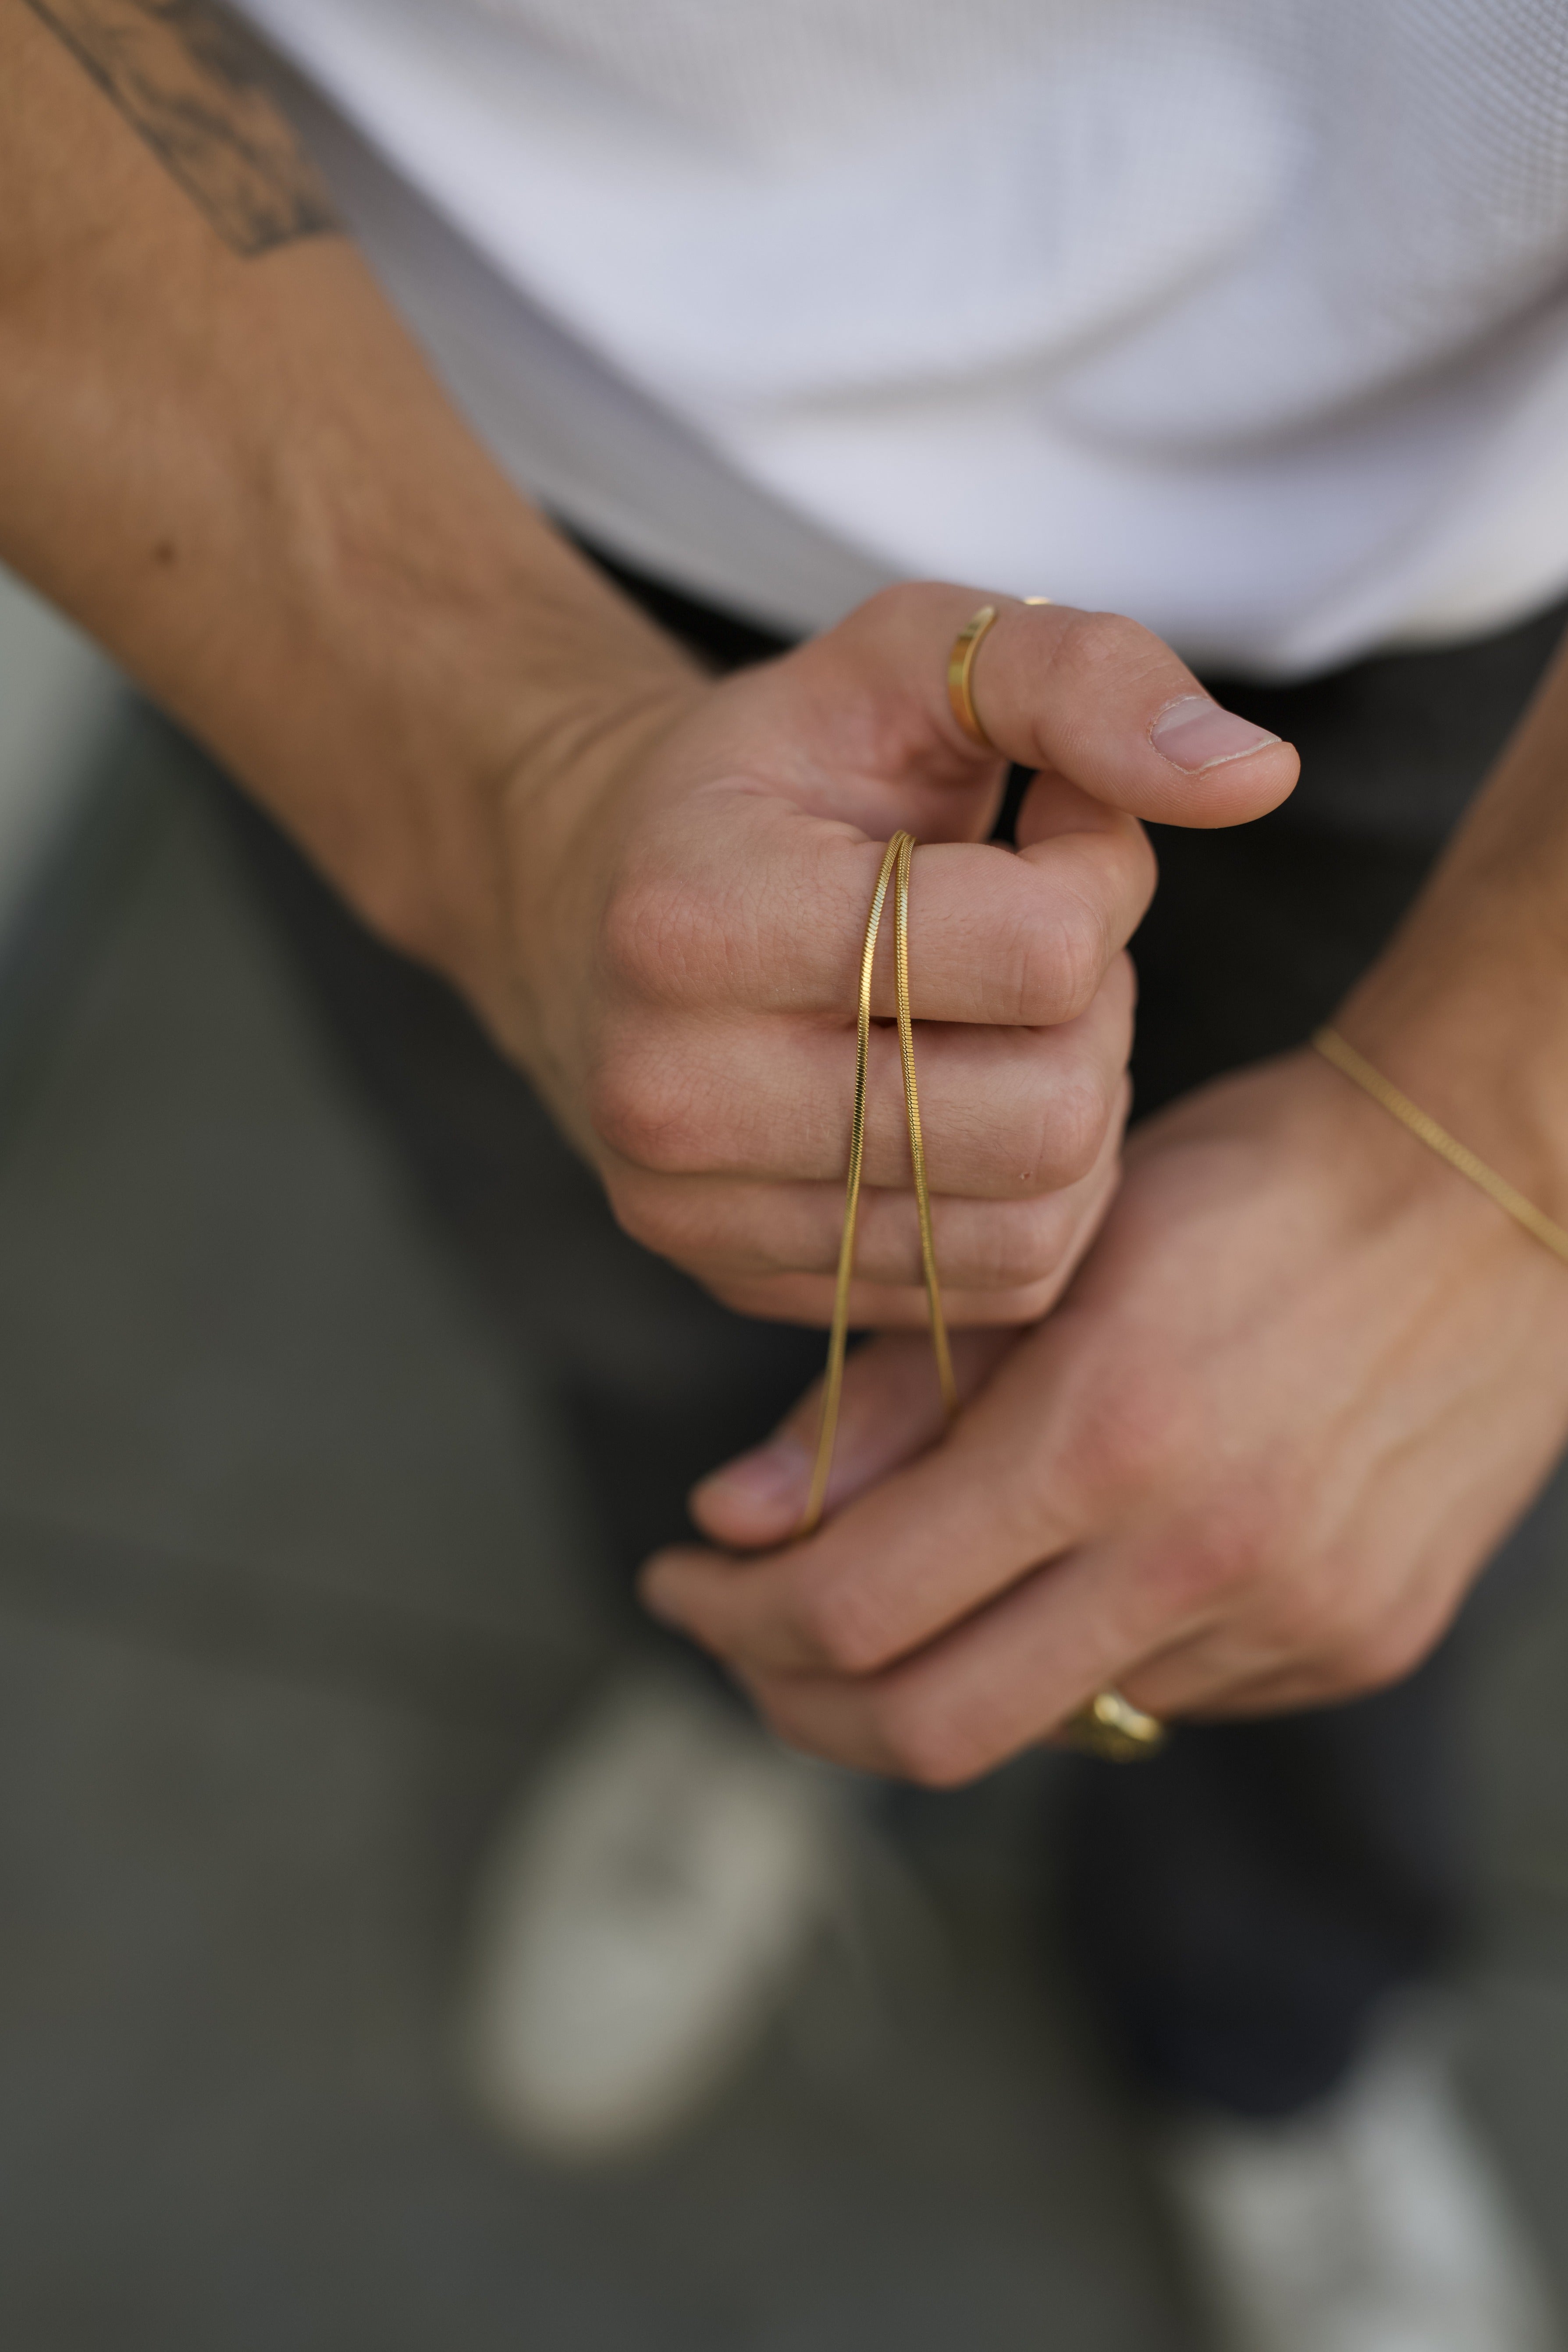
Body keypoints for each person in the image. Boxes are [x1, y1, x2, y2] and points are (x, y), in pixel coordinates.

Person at [3, 3, 1567, 2344]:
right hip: (384, 426)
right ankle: (759, 1709)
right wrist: (504, 775)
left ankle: (1274, 2032)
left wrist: (1509, 1158)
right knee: (634, 1316)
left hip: (1475, 552)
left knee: (1312, 1502)